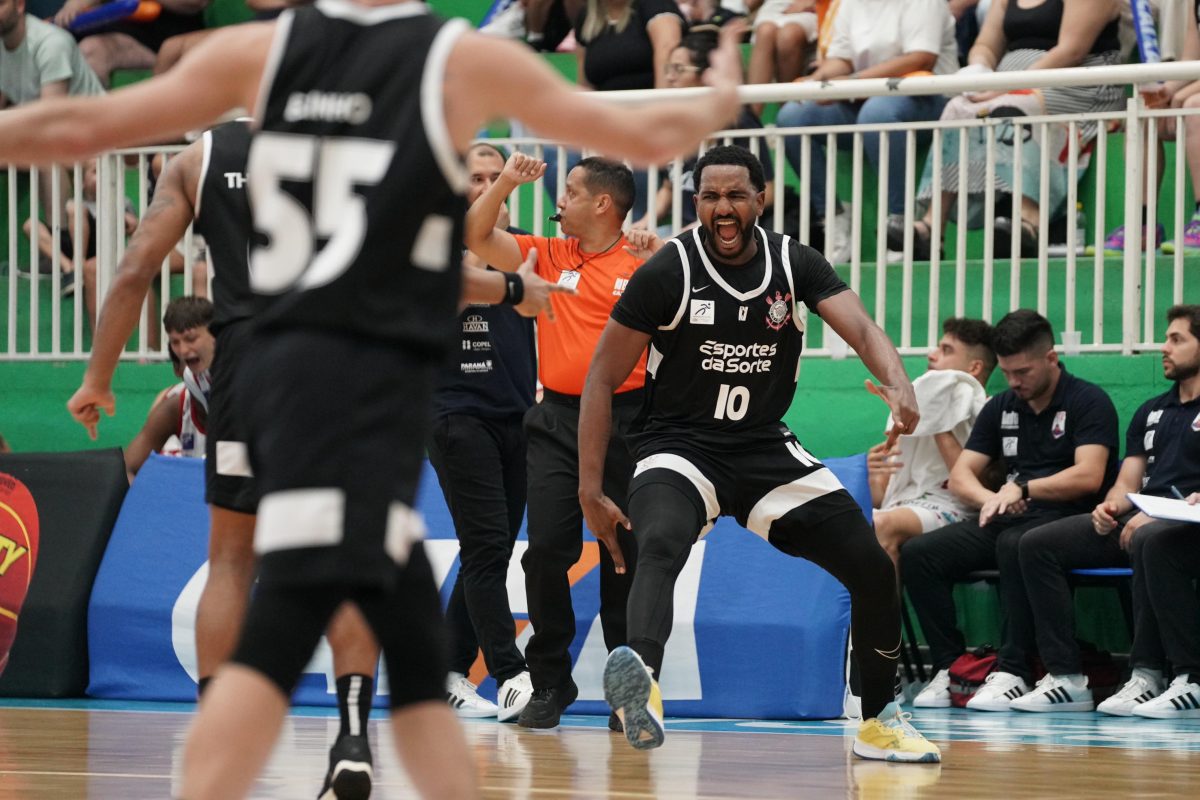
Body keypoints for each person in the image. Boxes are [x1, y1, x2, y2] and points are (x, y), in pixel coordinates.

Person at [5, 3, 745, 795]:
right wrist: (723, 84)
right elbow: (650, 134)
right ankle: (342, 735)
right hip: (376, 388)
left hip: (277, 377)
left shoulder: (256, 55)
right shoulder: (459, 61)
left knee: (317, 608)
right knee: (358, 618)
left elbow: (77, 127)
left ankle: (321, 740)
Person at [577, 145, 939, 762]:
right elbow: (601, 379)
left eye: (736, 195)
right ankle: (643, 688)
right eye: (710, 196)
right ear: (696, 203)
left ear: (760, 199)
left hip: (764, 446)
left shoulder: (794, 262)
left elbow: (861, 327)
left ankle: (879, 721)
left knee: (873, 568)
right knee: (659, 542)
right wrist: (590, 488)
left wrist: (899, 381)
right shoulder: (667, 270)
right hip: (679, 444)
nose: (723, 208)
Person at [464, 152, 659, 731]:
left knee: (623, 554)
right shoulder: (548, 254)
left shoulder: (643, 262)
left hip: (627, 421)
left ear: (602, 203)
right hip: (556, 422)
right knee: (546, 550)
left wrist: (660, 255)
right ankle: (550, 681)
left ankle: (628, 692)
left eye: (570, 191)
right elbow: (475, 235)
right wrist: (505, 180)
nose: (559, 201)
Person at [904, 309, 1118, 711]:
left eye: (1023, 372)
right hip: (1010, 515)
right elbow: (963, 474)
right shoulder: (1003, 406)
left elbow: (1089, 475)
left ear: (1051, 358)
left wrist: (1022, 487)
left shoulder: (1088, 401)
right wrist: (991, 499)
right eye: (1006, 373)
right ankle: (951, 668)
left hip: (1067, 518)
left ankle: (1014, 670)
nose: (1015, 382)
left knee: (1019, 542)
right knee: (920, 554)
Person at [1050, 305, 1200, 718]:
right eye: (1166, 338)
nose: (1164, 347)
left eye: (1176, 339)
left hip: (1185, 524)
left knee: (1153, 541)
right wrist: (1112, 505)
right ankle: (1065, 678)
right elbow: (1128, 480)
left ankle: (1183, 676)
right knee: (1034, 544)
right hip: (1145, 518)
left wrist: (1163, 512)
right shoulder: (1151, 410)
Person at [892, 0, 1124, 260]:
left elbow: (1072, 51)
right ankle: (932, 227)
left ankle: (1030, 220)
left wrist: (1008, 85)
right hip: (1011, 84)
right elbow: (986, 45)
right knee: (958, 108)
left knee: (1016, 106)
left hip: (1077, 83)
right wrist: (979, 68)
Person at [432, 143, 535, 723]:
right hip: (455, 413)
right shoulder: (431, 246)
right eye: (476, 178)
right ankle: (509, 674)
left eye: (497, 177)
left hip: (517, 415)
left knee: (490, 551)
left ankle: (447, 670)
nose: (489, 186)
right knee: (487, 546)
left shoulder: (518, 247)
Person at [774, 0, 956, 263]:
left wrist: (853, 82)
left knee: (877, 113)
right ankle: (833, 219)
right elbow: (842, 60)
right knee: (792, 116)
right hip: (864, 97)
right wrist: (815, 83)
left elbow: (921, 58)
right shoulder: (850, 4)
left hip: (928, 96)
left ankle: (900, 226)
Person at [869, 317, 994, 570]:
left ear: (974, 367)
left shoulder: (989, 411)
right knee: (844, 525)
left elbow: (979, 485)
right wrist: (872, 474)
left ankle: (884, 601)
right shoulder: (914, 409)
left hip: (956, 510)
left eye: (946, 350)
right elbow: (880, 498)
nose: (932, 355)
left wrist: (936, 421)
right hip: (902, 506)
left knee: (880, 525)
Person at [642, 28, 774, 234]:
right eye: (668, 68)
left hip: (727, 230)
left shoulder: (739, 123)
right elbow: (668, 188)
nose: (669, 77)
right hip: (681, 230)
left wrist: (711, 222)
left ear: (706, 75)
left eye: (678, 69)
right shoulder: (673, 125)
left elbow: (769, 190)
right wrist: (643, 223)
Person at [124, 296, 214, 481]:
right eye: (175, 342)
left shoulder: (249, 382)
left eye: (191, 339)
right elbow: (128, 468)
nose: (183, 350)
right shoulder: (177, 405)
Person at [53, 0, 209, 88]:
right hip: (112, 28)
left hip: (165, 38)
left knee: (92, 50)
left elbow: (197, 2)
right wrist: (73, 6)